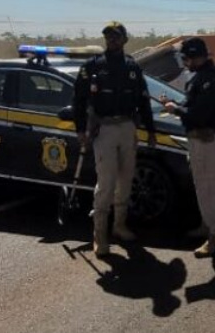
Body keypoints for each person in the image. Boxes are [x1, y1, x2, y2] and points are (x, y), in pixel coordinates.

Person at [73, 21, 156, 257]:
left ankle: (120, 226)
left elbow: (144, 100)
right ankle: (99, 235)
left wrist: (149, 130)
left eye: (116, 36)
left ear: (124, 39)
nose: (112, 40)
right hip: (105, 129)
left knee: (126, 180)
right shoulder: (92, 66)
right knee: (106, 183)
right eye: (108, 36)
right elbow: (78, 99)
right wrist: (80, 129)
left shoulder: (133, 66)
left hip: (128, 127)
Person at [162, 37, 215, 258]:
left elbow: (200, 114)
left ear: (197, 57)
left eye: (187, 58)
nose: (185, 62)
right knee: (201, 185)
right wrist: (174, 105)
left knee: (212, 187)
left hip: (207, 139)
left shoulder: (211, 79)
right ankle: (207, 224)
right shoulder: (198, 78)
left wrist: (176, 111)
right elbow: (190, 105)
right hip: (196, 139)